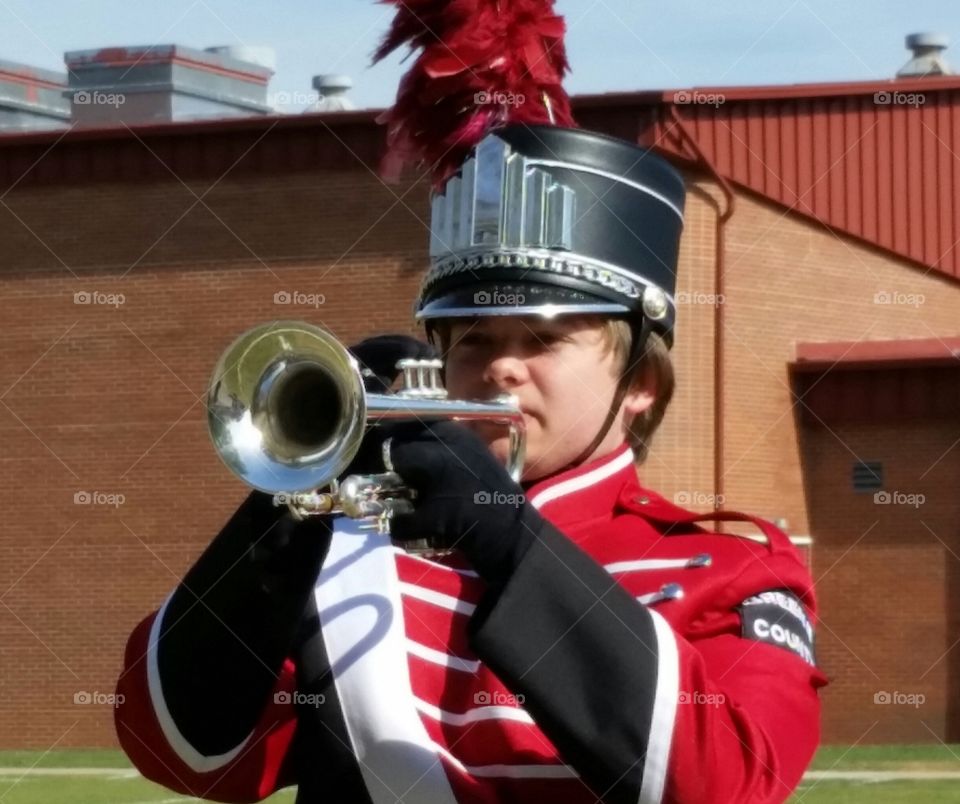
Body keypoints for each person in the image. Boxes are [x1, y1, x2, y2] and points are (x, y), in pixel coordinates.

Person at [114, 120, 826, 804]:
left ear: (640, 382)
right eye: (475, 340)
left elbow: (728, 781)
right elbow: (181, 753)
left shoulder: (726, 568)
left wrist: (511, 542)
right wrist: (294, 504)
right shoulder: (349, 556)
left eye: (541, 340)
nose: (501, 368)